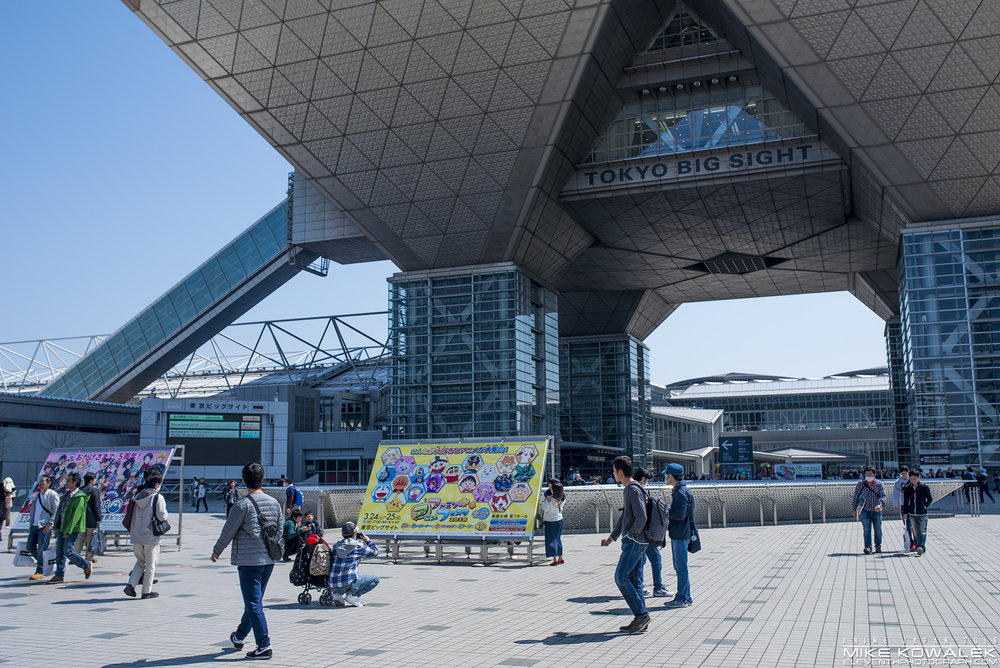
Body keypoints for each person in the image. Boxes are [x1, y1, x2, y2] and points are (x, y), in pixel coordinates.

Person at [212, 462, 283, 661]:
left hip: (249, 561)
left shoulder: (241, 505)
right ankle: (239, 636)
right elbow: (279, 531)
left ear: (244, 480)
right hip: (269, 559)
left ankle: (264, 645)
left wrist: (217, 551)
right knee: (255, 603)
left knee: (253, 604)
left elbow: (228, 532)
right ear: (262, 479)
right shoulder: (274, 503)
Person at [599, 455, 649, 635]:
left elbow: (641, 517)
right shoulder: (630, 489)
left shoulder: (632, 489)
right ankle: (640, 619)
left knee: (621, 577)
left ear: (620, 472)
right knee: (635, 581)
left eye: (614, 471)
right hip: (636, 541)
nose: (613, 474)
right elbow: (625, 516)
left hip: (634, 542)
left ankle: (642, 615)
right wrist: (612, 537)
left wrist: (631, 535)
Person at [124, 469, 169, 599]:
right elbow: (162, 516)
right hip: (150, 536)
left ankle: (130, 585)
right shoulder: (157, 497)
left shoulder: (137, 496)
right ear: (157, 484)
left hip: (136, 535)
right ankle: (146, 591)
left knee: (140, 562)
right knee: (150, 565)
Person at [50, 473, 92, 583]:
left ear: (75, 482)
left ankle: (86, 564)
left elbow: (76, 516)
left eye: (69, 481)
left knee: (68, 551)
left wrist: (68, 530)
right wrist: (56, 528)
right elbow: (59, 513)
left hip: (72, 529)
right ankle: (59, 574)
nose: (66, 483)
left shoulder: (80, 497)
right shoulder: (65, 496)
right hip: (61, 528)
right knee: (59, 552)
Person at [633, 468, 669, 598]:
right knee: (655, 558)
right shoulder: (639, 491)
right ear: (643, 479)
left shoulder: (633, 489)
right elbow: (642, 515)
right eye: (647, 480)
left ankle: (639, 586)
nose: (647, 482)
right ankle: (658, 588)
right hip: (645, 533)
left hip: (639, 533)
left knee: (640, 560)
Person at [663, 463, 694, 609]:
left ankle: (681, 598)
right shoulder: (683, 490)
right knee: (681, 566)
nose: (665, 477)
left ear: (670, 476)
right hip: (683, 532)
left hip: (680, 533)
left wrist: (664, 511)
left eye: (666, 475)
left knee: (680, 566)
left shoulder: (680, 493)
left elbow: (679, 515)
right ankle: (686, 597)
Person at [328, 521, 380, 607]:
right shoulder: (358, 546)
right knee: (376, 579)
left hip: (332, 584)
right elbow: (375, 552)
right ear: (355, 534)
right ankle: (352, 596)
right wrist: (368, 541)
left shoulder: (336, 546)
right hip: (348, 584)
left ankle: (337, 595)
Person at [24, 475, 59, 580]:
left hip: (44, 526)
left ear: (49, 483)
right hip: (34, 525)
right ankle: (43, 563)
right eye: (40, 481)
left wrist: (50, 523)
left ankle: (40, 570)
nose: (40, 483)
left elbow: (57, 510)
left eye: (43, 481)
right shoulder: (37, 495)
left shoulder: (52, 495)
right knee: (29, 547)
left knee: (42, 549)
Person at [852, 466, 886, 554]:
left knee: (877, 529)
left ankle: (878, 545)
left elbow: (883, 496)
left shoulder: (879, 484)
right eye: (866, 474)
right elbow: (856, 496)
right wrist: (854, 509)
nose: (868, 476)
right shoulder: (860, 484)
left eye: (870, 474)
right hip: (864, 510)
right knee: (867, 529)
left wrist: (880, 505)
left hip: (876, 510)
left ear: (874, 474)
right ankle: (868, 547)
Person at [901, 468, 932, 556]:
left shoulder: (924, 487)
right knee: (915, 531)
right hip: (912, 513)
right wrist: (905, 513)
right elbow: (906, 502)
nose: (913, 480)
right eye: (911, 479)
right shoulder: (907, 488)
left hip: (922, 513)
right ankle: (919, 546)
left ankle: (921, 547)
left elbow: (930, 499)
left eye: (915, 478)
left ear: (918, 478)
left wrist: (925, 506)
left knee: (922, 530)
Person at [74, 472, 103, 564]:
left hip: (80, 519)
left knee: (80, 538)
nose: (95, 481)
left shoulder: (79, 490)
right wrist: (99, 518)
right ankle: (88, 557)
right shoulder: (94, 491)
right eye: (94, 480)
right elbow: (96, 506)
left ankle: (75, 556)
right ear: (91, 481)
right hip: (91, 518)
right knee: (91, 539)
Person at [542, 479, 564, 566]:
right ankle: (560, 557)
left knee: (551, 539)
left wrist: (546, 500)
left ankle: (554, 559)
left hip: (550, 520)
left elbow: (545, 509)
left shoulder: (549, 499)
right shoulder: (561, 498)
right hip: (559, 519)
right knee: (557, 539)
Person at [891, 466, 912, 551]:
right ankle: (910, 542)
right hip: (904, 505)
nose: (904, 475)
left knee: (914, 524)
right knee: (907, 525)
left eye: (905, 473)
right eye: (902, 473)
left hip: (913, 505)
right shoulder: (898, 482)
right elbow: (895, 494)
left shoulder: (912, 479)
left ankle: (915, 542)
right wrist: (895, 505)